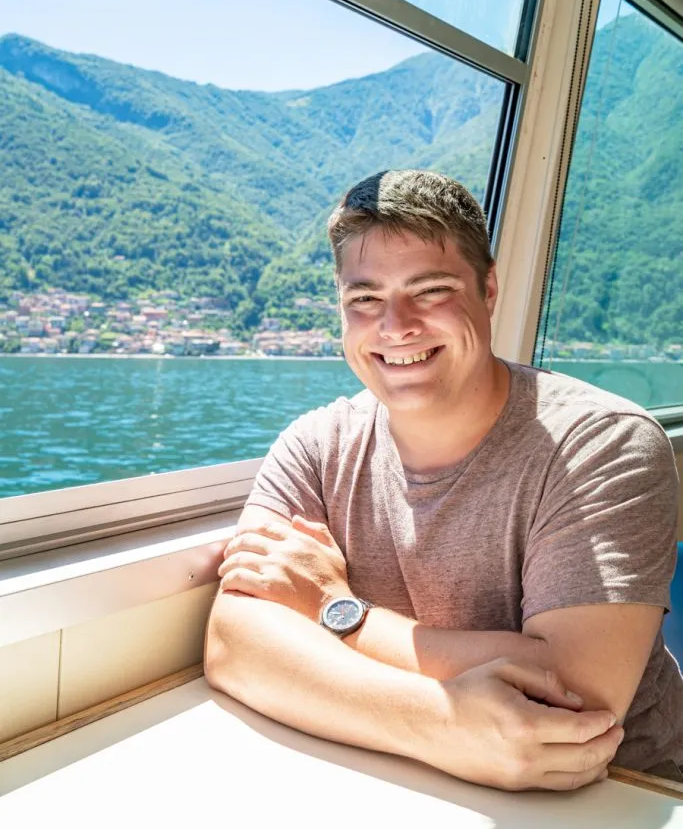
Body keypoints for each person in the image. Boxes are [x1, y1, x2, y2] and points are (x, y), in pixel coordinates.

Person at [205, 169, 683, 791]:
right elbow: (234, 642)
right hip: (410, 780)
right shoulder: (315, 446)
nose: (395, 325)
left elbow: (574, 698)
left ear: (488, 291)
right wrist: (440, 726)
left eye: (429, 291)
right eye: (364, 299)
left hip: (628, 793)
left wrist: (330, 608)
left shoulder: (603, 444)